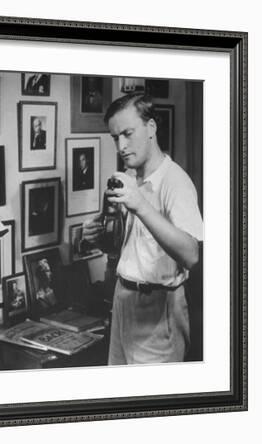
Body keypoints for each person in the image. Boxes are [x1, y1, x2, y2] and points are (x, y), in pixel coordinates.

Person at [83, 93, 203, 365]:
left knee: (152, 402)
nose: (121, 146)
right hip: (123, 299)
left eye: (127, 134)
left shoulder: (175, 182)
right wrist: (100, 239)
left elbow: (192, 254)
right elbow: (133, 249)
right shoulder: (131, 178)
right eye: (115, 138)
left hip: (158, 308)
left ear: (151, 128)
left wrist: (141, 205)